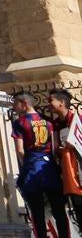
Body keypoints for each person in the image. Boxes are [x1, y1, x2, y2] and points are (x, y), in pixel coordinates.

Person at [12, 92, 69, 238]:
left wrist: (29, 163)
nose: (13, 107)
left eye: (15, 103)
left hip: (32, 169)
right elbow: (55, 146)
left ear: (24, 103)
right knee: (59, 211)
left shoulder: (20, 122)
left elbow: (19, 150)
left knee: (37, 214)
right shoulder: (48, 121)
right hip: (50, 169)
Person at [48, 89, 82, 229]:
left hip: (79, 170)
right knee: (78, 209)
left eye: (51, 101)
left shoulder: (77, 120)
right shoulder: (55, 124)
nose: (48, 104)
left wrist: (71, 146)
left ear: (61, 103)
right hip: (68, 174)